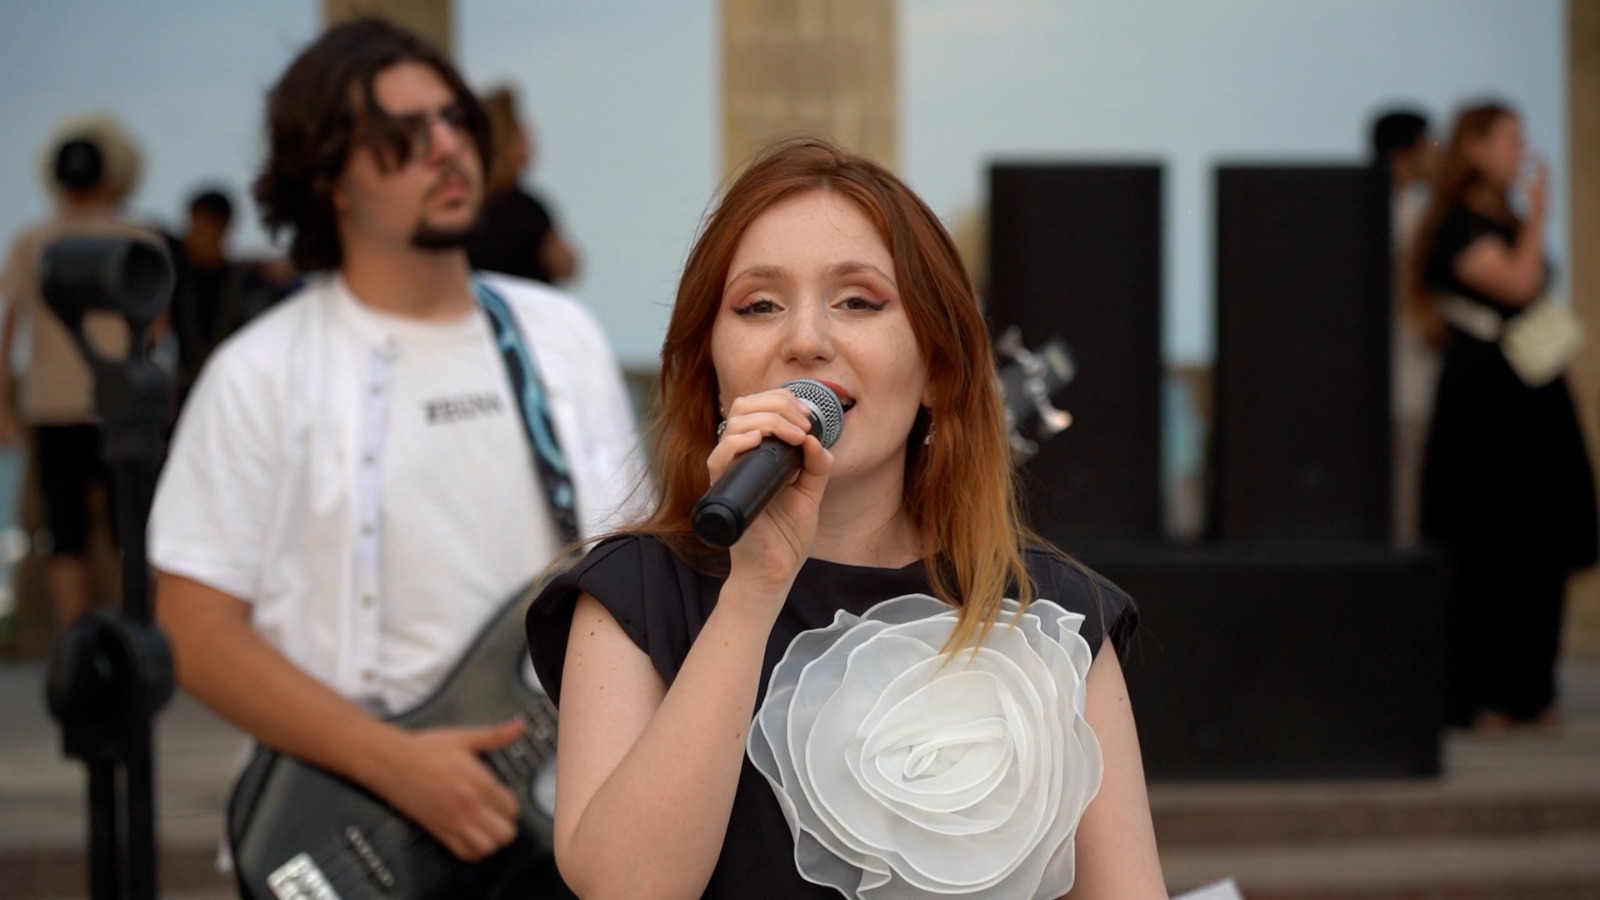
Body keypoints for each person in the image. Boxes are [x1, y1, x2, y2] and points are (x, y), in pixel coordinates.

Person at [525, 136, 1167, 898]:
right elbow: (625, 888)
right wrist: (753, 591)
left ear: (937, 367)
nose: (805, 340)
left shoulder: (1054, 614)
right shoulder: (634, 598)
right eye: (759, 306)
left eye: (858, 302)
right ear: (711, 370)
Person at [147, 17, 644, 896]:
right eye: (402, 136)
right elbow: (193, 627)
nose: (447, 148)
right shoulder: (261, 372)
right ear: (328, 178)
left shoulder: (558, 334)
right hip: (359, 835)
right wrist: (393, 763)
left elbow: (634, 565)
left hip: (566, 823)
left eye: (455, 120)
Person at [1409, 102, 1598, 734]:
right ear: (1474, 146)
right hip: (1483, 403)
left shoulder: (1506, 218)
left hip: (1532, 393)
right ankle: (1480, 693)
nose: (1522, 150)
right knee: (1486, 542)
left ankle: (1531, 691)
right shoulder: (1456, 226)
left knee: (1542, 540)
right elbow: (1517, 284)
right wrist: (1542, 213)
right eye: (1510, 139)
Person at [0, 112, 155, 631]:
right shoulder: (137, 237)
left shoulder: (31, 240)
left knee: (64, 532)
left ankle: (77, 645)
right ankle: (139, 636)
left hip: (52, 404)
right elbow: (157, 326)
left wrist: (4, 406)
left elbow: (10, 326)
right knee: (131, 529)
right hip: (124, 403)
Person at [1371, 108, 1440, 547]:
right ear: (1404, 153)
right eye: (1430, 145)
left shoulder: (1406, 213)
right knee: (1406, 512)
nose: (1438, 155)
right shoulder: (1414, 219)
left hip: (1402, 383)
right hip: (1410, 382)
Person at [164, 186, 288, 415]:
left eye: (202, 227)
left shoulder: (249, 283)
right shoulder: (179, 281)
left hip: (236, 396)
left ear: (222, 227)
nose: (193, 235)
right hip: (188, 397)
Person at [466, 86, 580, 285]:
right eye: (521, 133)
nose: (530, 140)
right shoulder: (527, 211)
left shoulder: (465, 206)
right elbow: (566, 266)